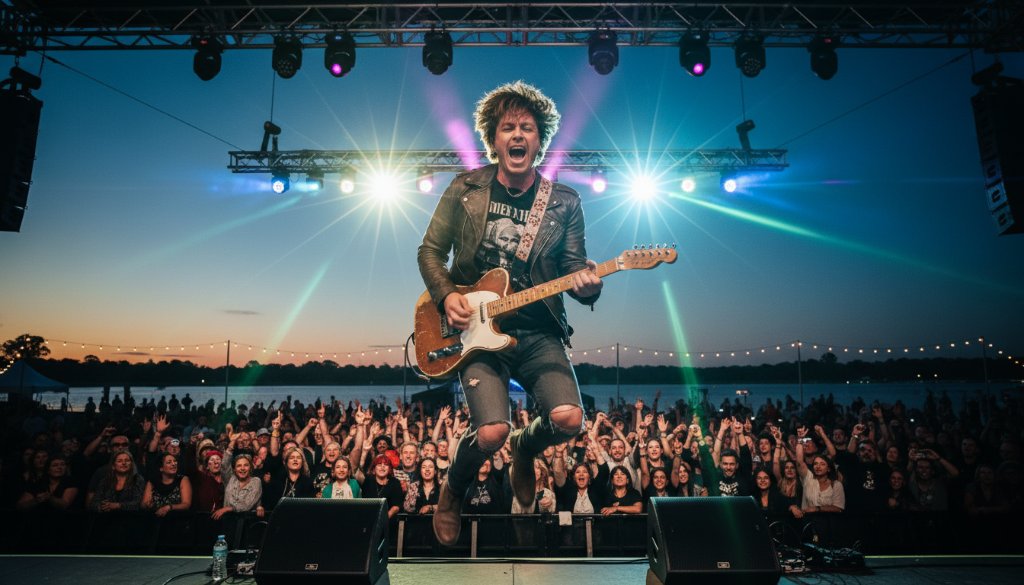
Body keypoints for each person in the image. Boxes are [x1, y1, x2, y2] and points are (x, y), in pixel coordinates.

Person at [417, 80, 602, 545]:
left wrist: (589, 286)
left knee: (568, 420)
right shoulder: (465, 188)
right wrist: (446, 297)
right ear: (493, 139)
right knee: (492, 432)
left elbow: (575, 270)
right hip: (476, 332)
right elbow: (430, 252)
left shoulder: (564, 202)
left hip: (539, 329)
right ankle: (454, 488)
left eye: (527, 128)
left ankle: (527, 446)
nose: (517, 135)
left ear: (540, 140)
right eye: (507, 128)